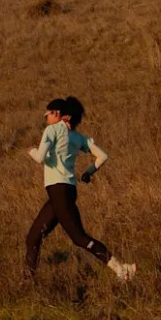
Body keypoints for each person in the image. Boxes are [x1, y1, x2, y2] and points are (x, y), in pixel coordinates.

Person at [24, 96, 136, 282]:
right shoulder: (78, 137)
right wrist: (88, 173)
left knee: (79, 238)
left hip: (58, 192)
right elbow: (102, 156)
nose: (46, 116)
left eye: (49, 113)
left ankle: (122, 269)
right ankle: (27, 281)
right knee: (33, 237)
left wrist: (31, 151)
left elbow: (39, 158)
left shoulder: (52, 130)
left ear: (59, 115)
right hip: (66, 192)